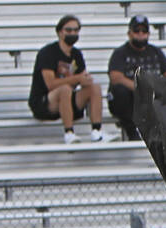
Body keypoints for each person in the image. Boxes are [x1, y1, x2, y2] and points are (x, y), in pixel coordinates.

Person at [29, 15, 116, 144]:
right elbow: (51, 84)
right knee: (64, 89)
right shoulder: (47, 53)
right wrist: (77, 78)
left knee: (94, 87)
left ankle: (97, 132)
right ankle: (69, 133)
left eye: (76, 30)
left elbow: (82, 79)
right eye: (68, 30)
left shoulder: (76, 54)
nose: (73, 33)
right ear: (60, 32)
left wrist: (85, 80)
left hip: (67, 101)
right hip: (44, 102)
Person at [108, 15, 166, 141]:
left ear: (148, 34)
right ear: (129, 33)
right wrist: (140, 87)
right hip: (128, 99)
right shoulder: (120, 53)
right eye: (137, 31)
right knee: (120, 90)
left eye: (144, 31)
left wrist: (162, 87)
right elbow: (116, 78)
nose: (140, 34)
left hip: (150, 97)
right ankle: (132, 130)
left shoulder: (155, 51)